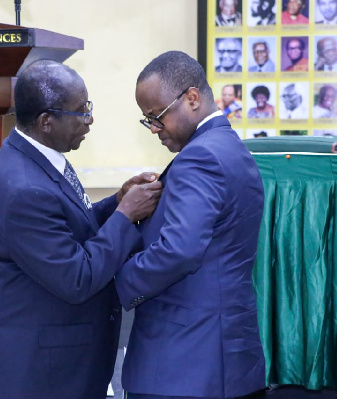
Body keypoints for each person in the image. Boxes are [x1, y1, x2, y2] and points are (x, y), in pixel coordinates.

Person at [0, 60, 162, 399]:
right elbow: (76, 278)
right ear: (46, 121)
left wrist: (117, 201)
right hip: (31, 374)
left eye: (88, 107)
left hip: (50, 361)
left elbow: (69, 225)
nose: (89, 119)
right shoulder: (25, 188)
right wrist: (126, 217)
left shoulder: (36, 155)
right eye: (81, 112)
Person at [116, 50, 266, 398]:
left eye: (157, 116)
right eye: (147, 120)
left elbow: (178, 251)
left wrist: (115, 280)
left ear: (192, 98)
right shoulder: (230, 147)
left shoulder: (199, 158)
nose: (154, 128)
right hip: (225, 359)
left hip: (184, 365)